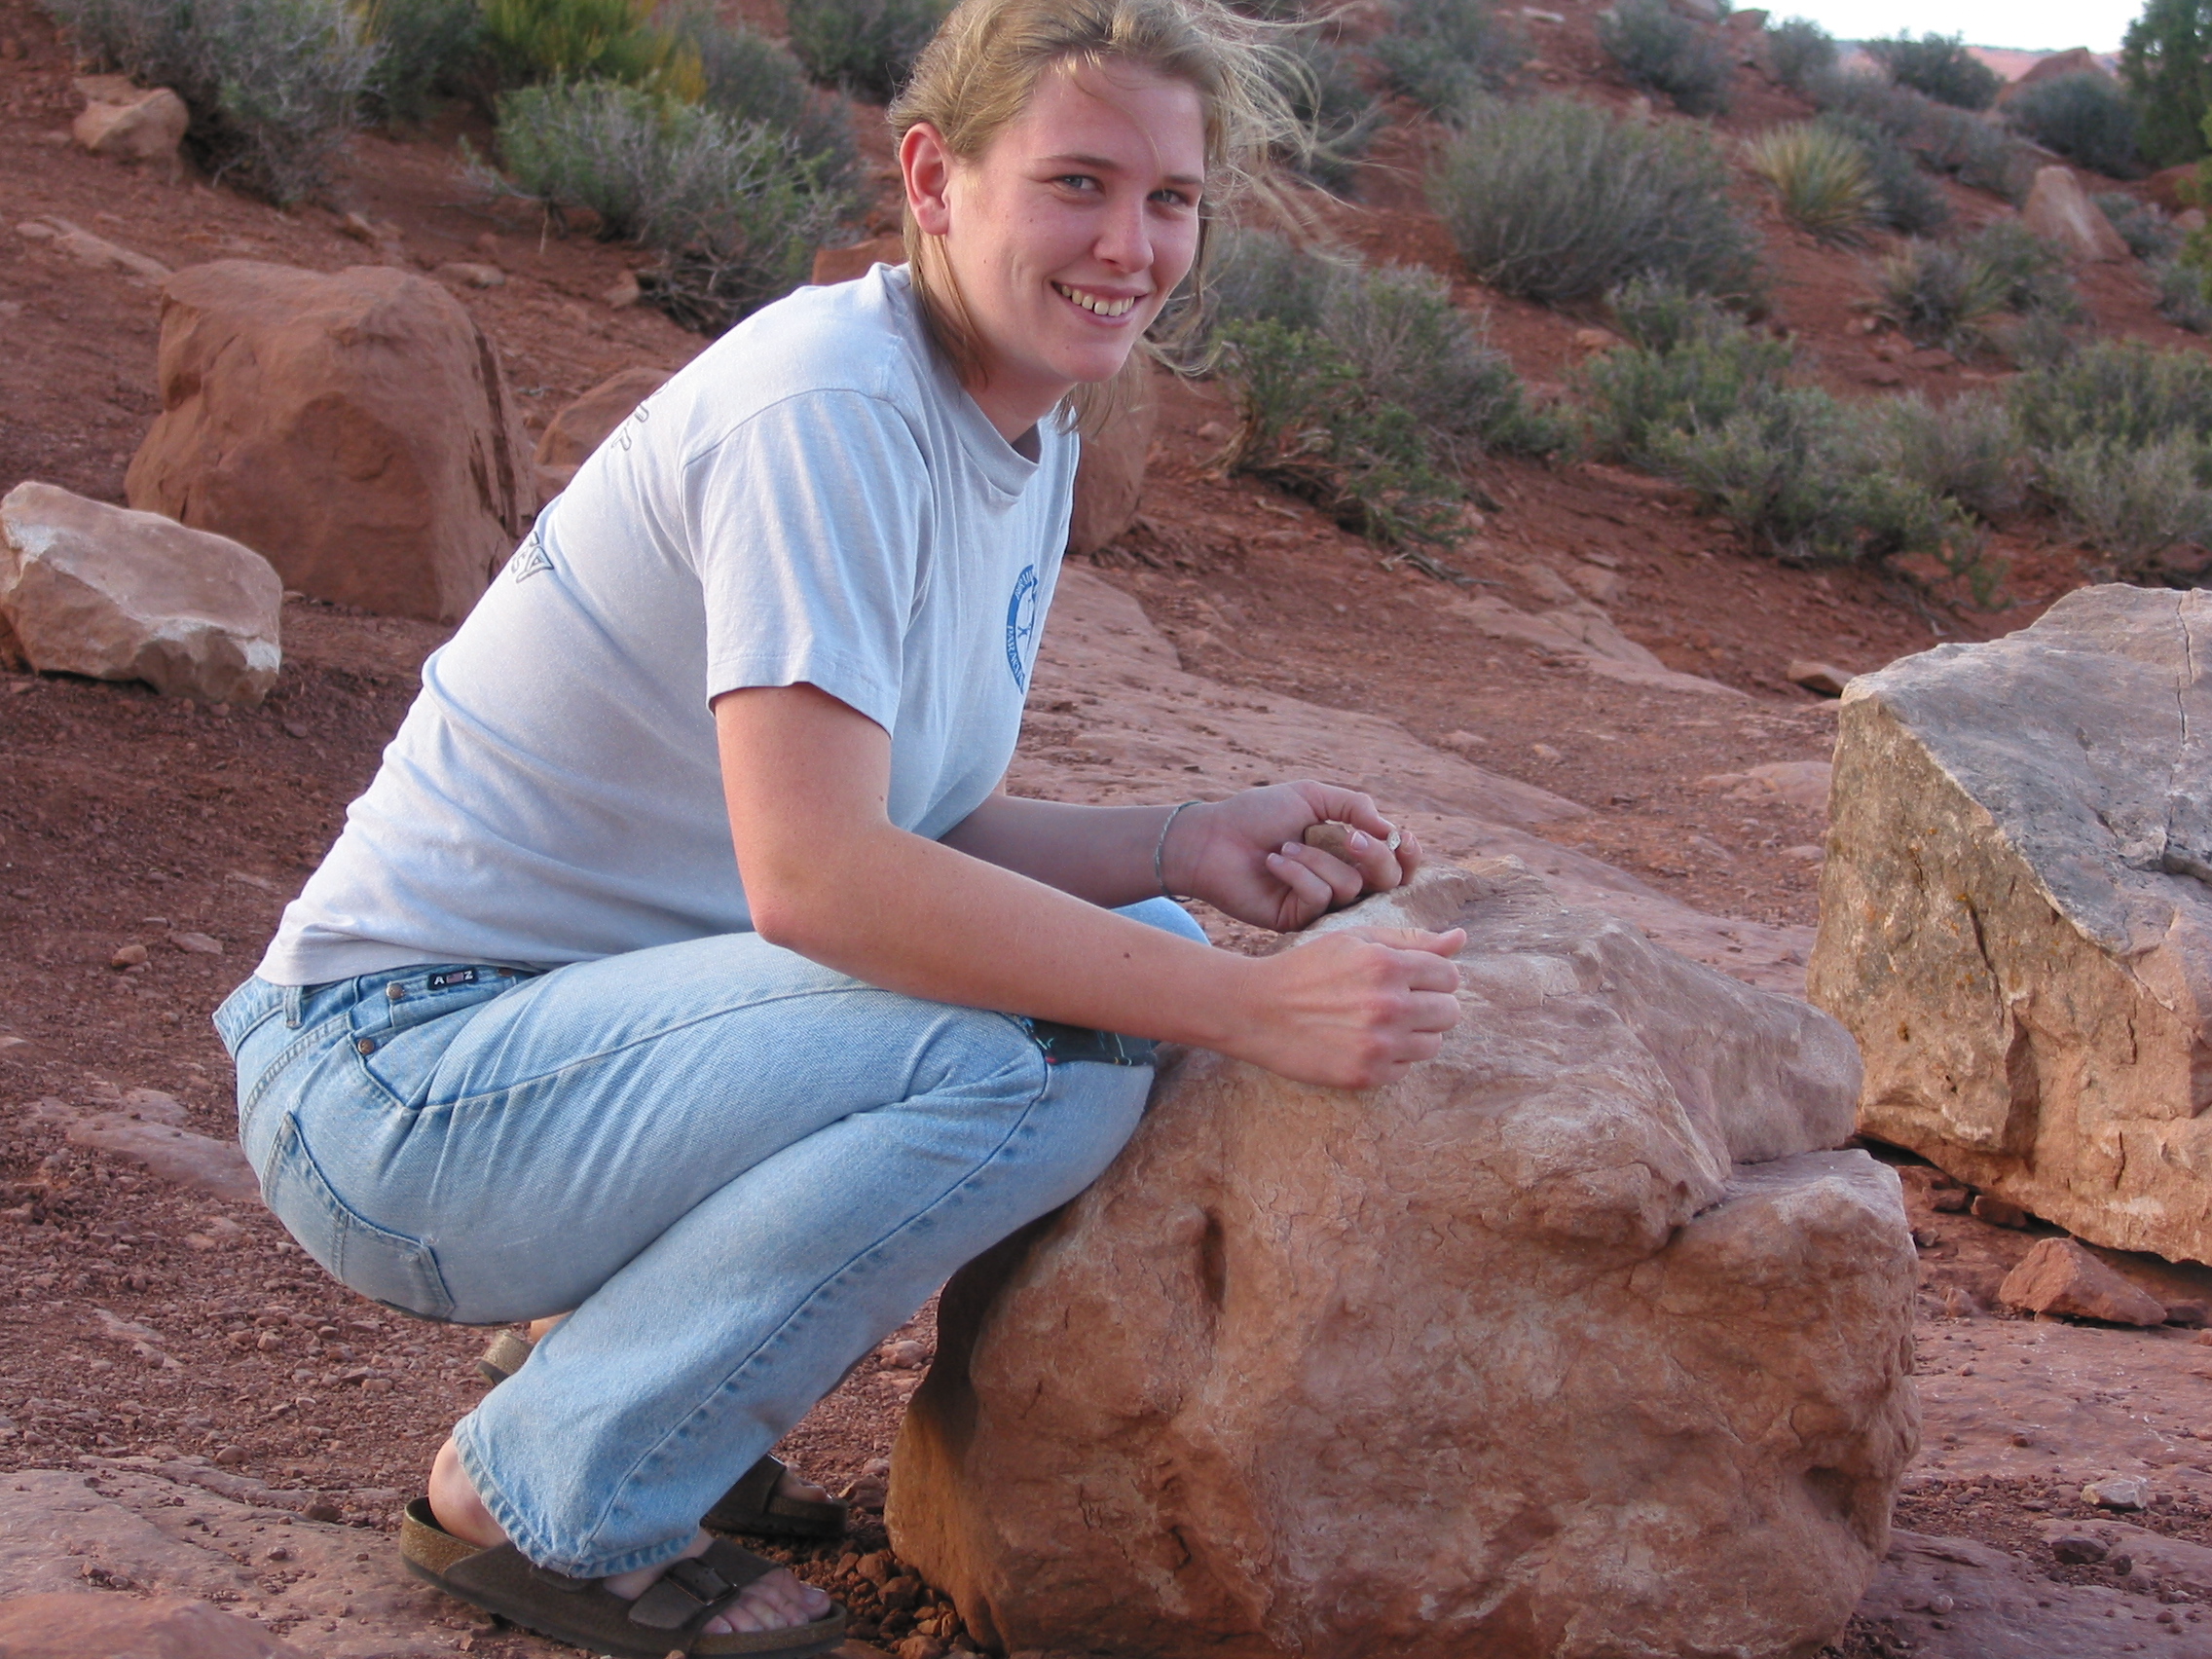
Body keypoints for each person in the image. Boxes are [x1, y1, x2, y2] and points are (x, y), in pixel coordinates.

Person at [212, 0, 1465, 1650]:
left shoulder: (1015, 429)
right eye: (1078, 182)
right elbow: (819, 885)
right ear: (935, 176)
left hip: (572, 1060)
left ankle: (604, 1382)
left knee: (1123, 965)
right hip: (402, 1093)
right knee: (1025, 1050)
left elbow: (912, 832)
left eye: (1172, 200)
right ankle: (544, 1497)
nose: (1131, 245)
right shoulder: (828, 411)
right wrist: (1251, 1009)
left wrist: (1184, 844)